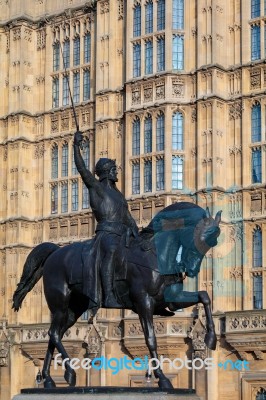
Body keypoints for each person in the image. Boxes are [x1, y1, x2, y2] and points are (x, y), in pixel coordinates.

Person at [74, 131, 138, 308]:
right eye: (113, 169)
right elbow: (82, 170)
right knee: (111, 250)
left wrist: (138, 235)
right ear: (106, 172)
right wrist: (75, 147)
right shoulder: (97, 188)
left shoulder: (118, 194)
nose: (115, 171)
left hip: (122, 234)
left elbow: (128, 218)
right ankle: (108, 295)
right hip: (107, 235)